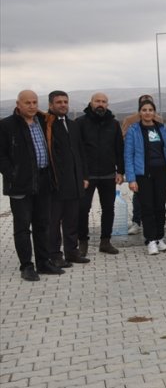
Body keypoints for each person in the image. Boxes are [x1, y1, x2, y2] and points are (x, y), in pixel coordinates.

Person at [1, 90, 59, 280]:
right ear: (18, 104)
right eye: (28, 103)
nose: (32, 106)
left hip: (43, 180)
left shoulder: (42, 122)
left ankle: (44, 263)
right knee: (23, 227)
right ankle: (26, 266)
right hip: (20, 184)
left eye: (35, 102)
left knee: (43, 224)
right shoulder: (6, 125)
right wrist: (13, 175)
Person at [124, 99, 166, 255]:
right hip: (143, 174)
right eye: (144, 110)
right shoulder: (134, 130)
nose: (147, 112)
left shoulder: (162, 129)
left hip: (162, 172)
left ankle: (160, 238)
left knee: (160, 206)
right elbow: (128, 155)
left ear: (154, 113)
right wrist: (131, 178)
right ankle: (150, 240)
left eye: (150, 110)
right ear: (140, 112)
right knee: (147, 207)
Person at [76, 92, 125, 256]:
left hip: (108, 174)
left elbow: (120, 149)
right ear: (91, 103)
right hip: (87, 176)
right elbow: (76, 151)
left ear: (107, 105)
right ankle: (82, 242)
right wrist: (80, 174)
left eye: (104, 101)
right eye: (97, 101)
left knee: (108, 209)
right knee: (83, 209)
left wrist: (121, 171)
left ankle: (105, 241)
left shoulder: (114, 124)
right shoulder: (80, 123)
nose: (100, 104)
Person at [44, 91, 89, 267]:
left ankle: (72, 252)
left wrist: (84, 175)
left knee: (72, 219)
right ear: (50, 105)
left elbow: (80, 152)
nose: (63, 105)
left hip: (75, 181)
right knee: (54, 221)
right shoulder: (46, 126)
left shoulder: (73, 125)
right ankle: (55, 255)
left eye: (65, 101)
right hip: (56, 182)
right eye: (58, 102)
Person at [120, 93, 157, 236]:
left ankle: (153, 223)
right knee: (138, 195)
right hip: (139, 164)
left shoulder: (158, 120)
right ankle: (137, 221)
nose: (147, 111)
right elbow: (124, 138)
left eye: (150, 104)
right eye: (144, 103)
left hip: (155, 165)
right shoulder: (130, 120)